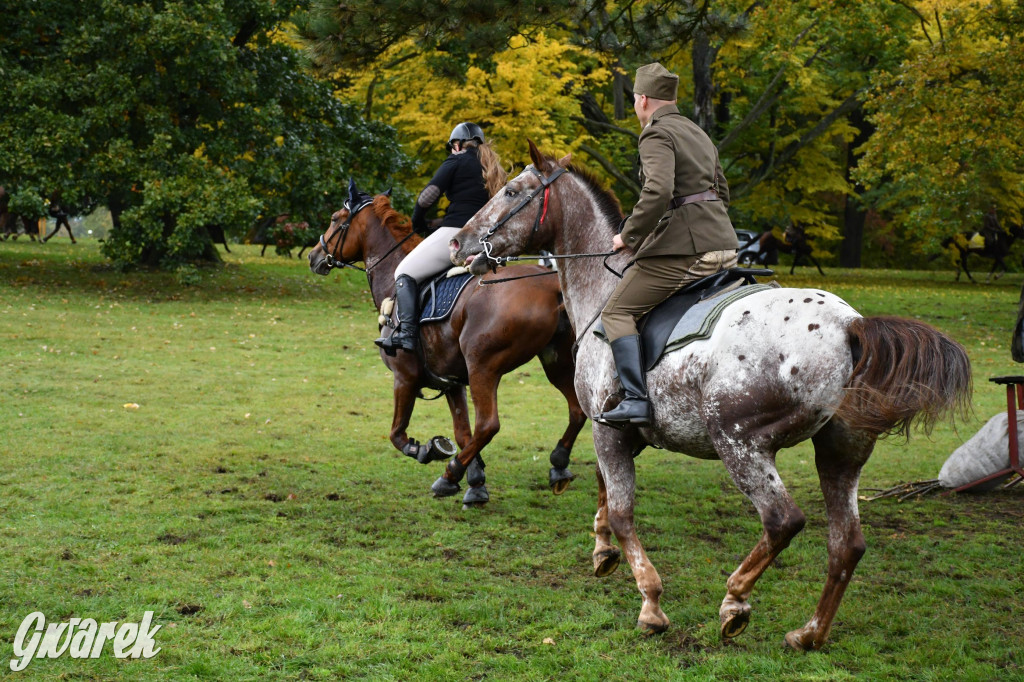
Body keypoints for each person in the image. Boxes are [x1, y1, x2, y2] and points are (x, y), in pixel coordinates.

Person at [596, 62, 739, 427]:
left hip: (690, 250)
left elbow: (658, 190)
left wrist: (628, 236)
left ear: (642, 100)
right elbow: (721, 192)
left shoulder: (655, 134)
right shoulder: (697, 132)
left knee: (616, 312)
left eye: (634, 101)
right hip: (725, 242)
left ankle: (635, 399)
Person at [375, 122, 507, 355]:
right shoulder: (492, 167)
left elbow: (427, 197)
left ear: (456, 144)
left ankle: (406, 335)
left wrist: (418, 222)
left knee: (403, 273)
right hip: (487, 239)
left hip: (459, 236)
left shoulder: (456, 160)